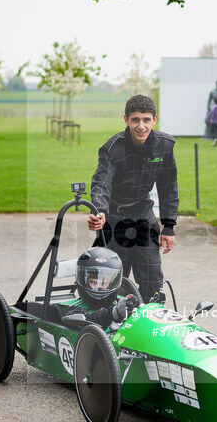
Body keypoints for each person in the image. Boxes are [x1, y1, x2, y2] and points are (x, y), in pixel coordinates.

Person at [87, 94, 178, 302]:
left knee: (151, 273)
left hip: (142, 211)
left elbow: (168, 187)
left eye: (146, 120)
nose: (141, 126)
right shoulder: (112, 148)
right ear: (126, 119)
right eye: (135, 120)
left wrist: (169, 226)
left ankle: (151, 318)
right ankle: (109, 322)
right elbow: (102, 183)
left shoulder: (164, 145)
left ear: (154, 119)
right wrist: (99, 211)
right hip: (114, 215)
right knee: (112, 274)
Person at [58, 247, 140, 330]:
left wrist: (137, 308)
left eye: (104, 283)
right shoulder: (74, 307)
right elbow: (83, 324)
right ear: (83, 281)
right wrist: (111, 314)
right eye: (93, 282)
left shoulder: (120, 302)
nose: (99, 287)